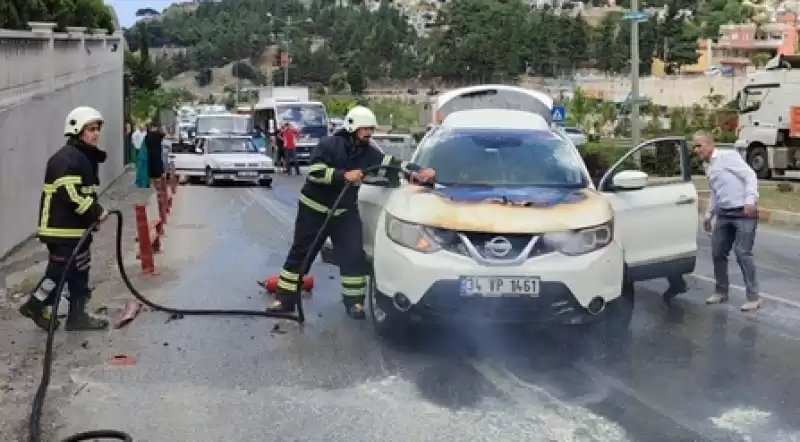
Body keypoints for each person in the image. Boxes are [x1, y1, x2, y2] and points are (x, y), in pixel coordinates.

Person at [265, 106, 436, 319]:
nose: (369, 134)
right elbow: (315, 172)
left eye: (371, 129)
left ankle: (354, 304)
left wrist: (417, 170)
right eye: (365, 129)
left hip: (345, 213)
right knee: (301, 254)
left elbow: (392, 164)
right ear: (352, 127)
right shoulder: (329, 145)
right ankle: (285, 300)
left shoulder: (368, 152)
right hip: (314, 211)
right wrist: (343, 176)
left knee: (353, 256)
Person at [18, 106, 110, 331]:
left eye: (97, 129)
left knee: (80, 270)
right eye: (90, 129)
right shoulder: (65, 159)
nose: (96, 133)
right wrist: (96, 212)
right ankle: (36, 304)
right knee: (60, 271)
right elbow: (71, 194)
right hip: (61, 230)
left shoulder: (83, 157)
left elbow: (83, 192)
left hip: (77, 229)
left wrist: (92, 217)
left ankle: (77, 317)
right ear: (77, 129)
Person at [693, 130, 761, 312]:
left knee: (742, 252)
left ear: (709, 144)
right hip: (724, 213)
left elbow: (750, 176)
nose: (696, 150)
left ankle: (753, 297)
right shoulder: (708, 166)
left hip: (743, 213)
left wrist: (750, 200)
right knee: (717, 252)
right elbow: (716, 192)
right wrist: (709, 214)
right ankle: (721, 291)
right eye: (694, 146)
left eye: (699, 145)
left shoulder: (728, 156)